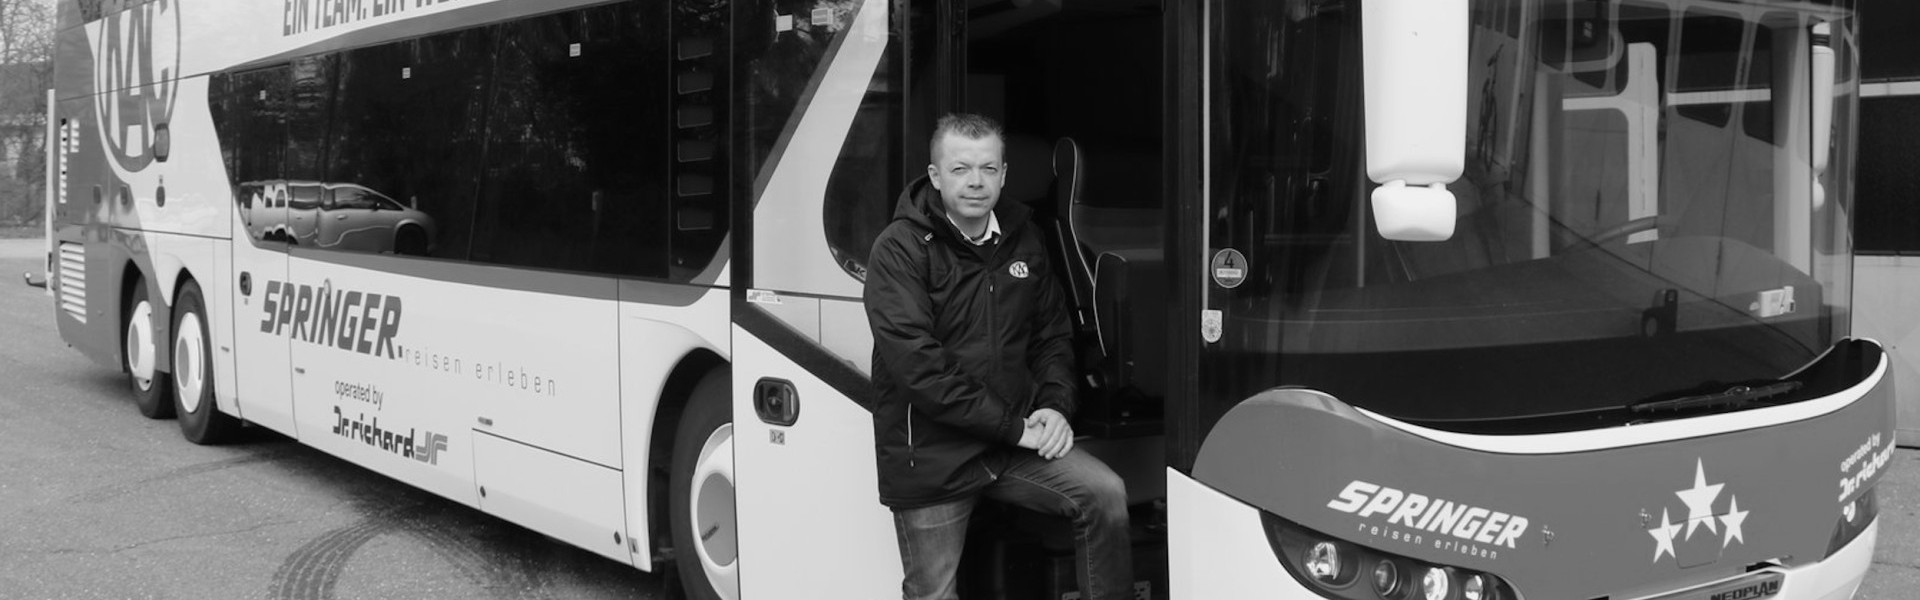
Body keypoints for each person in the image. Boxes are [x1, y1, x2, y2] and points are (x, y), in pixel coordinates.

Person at [864, 114, 1132, 600]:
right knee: (933, 592)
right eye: (961, 168)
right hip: (932, 456)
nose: (975, 181)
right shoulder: (899, 249)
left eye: (988, 169)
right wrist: (1015, 427)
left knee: (1105, 495)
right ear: (935, 175)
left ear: (1004, 175)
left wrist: (1053, 406)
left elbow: (1051, 335)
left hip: (1011, 447)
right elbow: (920, 369)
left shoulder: (1024, 238)